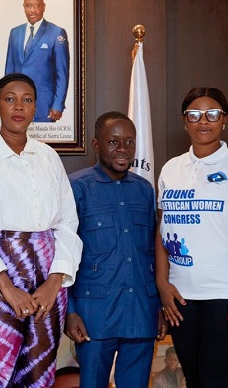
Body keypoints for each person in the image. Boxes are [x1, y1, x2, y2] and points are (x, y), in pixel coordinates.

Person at [0, 73, 82, 387]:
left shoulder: (49, 157)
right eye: (10, 99)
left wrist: (55, 282)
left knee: (40, 370)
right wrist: (6, 287)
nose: (18, 106)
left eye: (27, 99)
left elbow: (67, 224)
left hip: (49, 276)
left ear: (36, 106)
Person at [156, 87, 228, 386]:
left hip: (227, 295)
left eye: (212, 114)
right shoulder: (171, 168)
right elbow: (163, 229)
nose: (202, 121)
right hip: (182, 299)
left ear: (224, 120)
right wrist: (163, 284)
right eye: (194, 114)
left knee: (214, 382)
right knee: (195, 381)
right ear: (185, 121)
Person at [65, 111, 166, 387]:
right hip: (94, 315)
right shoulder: (76, 187)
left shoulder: (145, 190)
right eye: (114, 142)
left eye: (129, 142)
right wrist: (69, 310)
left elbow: (153, 254)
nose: (123, 150)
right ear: (97, 144)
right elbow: (62, 254)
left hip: (140, 313)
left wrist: (157, 308)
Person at [5, 0, 70, 122]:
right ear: (24, 7)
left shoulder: (56, 33)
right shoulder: (15, 33)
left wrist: (58, 105)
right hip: (17, 106)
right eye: (28, 6)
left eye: (36, 6)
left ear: (43, 7)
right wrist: (7, 100)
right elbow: (9, 70)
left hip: (44, 106)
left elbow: (62, 74)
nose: (32, 10)